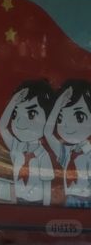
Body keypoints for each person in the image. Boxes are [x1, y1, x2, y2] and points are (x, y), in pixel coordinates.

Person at [0, 82, 55, 205]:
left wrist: (47, 209)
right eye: (15, 114)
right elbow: (2, 127)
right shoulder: (16, 147)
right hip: (18, 201)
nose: (19, 121)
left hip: (38, 203)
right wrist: (14, 101)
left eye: (31, 114)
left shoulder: (43, 155)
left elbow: (47, 186)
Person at [46, 80, 91, 209]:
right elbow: (48, 133)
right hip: (70, 200)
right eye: (60, 118)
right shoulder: (65, 152)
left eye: (79, 117)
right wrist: (58, 104)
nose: (66, 125)